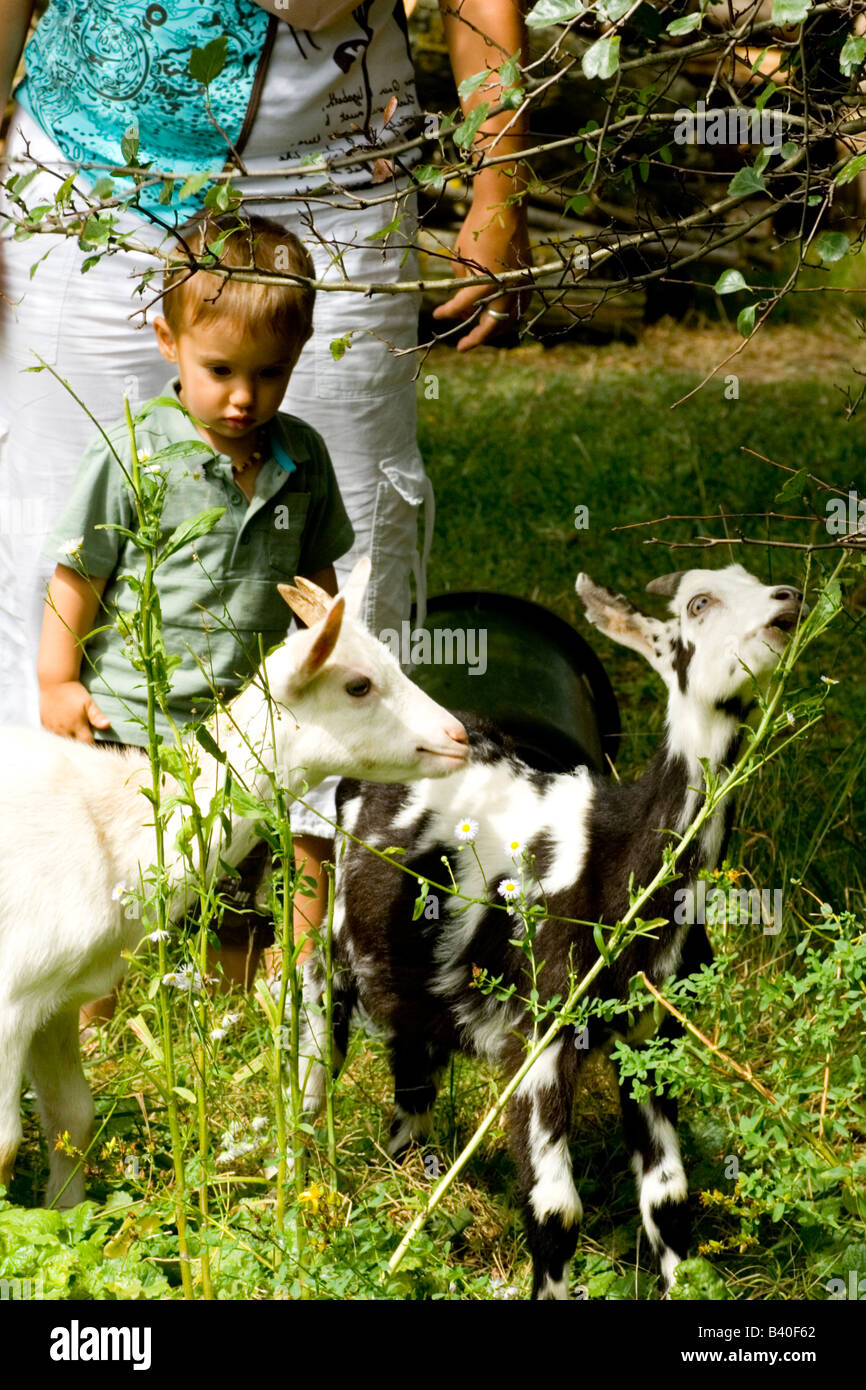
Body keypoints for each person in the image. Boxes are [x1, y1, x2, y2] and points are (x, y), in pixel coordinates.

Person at [38, 211, 354, 1004]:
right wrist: (56, 680)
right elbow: (80, 571)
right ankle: (94, 1004)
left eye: (270, 374)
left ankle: (287, 976)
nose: (244, 398)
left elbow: (318, 575)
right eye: (220, 371)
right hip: (135, 716)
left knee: (294, 836)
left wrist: (329, 652)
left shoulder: (302, 457)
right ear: (167, 342)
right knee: (115, 869)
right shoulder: (134, 452)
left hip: (247, 718)